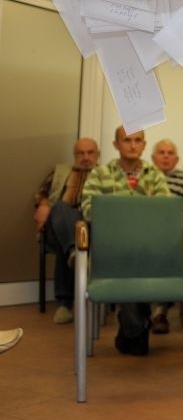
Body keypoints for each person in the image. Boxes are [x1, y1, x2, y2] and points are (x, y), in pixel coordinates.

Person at [82, 126, 171, 355]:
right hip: (112, 248)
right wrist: (131, 218)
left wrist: (120, 213)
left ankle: (132, 326)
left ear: (144, 144)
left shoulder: (155, 175)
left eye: (138, 140)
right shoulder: (100, 173)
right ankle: (137, 324)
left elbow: (164, 212)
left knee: (140, 258)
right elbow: (88, 209)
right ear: (115, 144)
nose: (132, 145)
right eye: (127, 140)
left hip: (146, 248)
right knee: (127, 260)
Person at [34, 138, 100, 324]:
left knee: (74, 239)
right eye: (81, 153)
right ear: (74, 155)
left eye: (90, 152)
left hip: (91, 227)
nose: (86, 157)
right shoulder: (60, 172)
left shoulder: (105, 174)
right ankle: (75, 251)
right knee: (62, 208)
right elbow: (41, 193)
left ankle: (64, 304)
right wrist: (44, 204)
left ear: (98, 155)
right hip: (58, 224)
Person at [150, 139, 183, 334]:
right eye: (161, 152)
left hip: (175, 231)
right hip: (146, 231)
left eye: (170, 153)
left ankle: (161, 310)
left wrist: (171, 220)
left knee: (181, 253)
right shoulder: (146, 176)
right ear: (152, 158)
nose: (166, 156)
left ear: (176, 159)